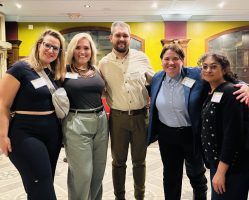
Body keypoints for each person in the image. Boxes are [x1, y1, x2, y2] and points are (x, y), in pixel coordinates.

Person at [147, 44, 249, 200]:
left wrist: (246, 86)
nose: (171, 62)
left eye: (176, 58)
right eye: (167, 59)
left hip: (191, 134)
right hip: (167, 135)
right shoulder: (157, 78)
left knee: (196, 175)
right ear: (161, 61)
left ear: (182, 60)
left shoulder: (196, 74)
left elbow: (226, 79)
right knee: (170, 175)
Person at [0, 29, 65, 199]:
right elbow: (3, 104)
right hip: (26, 133)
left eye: (55, 48)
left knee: (40, 184)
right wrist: (3, 136)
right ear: (38, 45)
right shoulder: (20, 68)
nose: (51, 50)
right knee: (42, 185)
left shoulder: (52, 73)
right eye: (47, 45)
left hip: (52, 134)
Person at [98, 21, 154, 200]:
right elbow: (101, 90)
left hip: (140, 116)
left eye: (125, 35)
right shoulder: (103, 63)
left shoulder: (142, 58)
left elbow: (155, 82)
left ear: (130, 38)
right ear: (111, 38)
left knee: (139, 162)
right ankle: (119, 197)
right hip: (117, 118)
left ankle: (140, 196)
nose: (121, 39)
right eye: (118, 35)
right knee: (118, 162)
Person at [62, 33, 108, 200]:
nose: (82, 51)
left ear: (92, 51)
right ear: (72, 50)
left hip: (101, 120)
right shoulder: (63, 71)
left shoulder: (96, 70)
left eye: (86, 48)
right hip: (76, 122)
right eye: (78, 47)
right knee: (82, 173)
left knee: (98, 171)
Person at [198, 52, 249, 200]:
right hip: (219, 163)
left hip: (232, 167)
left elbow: (233, 136)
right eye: (205, 66)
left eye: (213, 67)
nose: (208, 70)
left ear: (224, 69)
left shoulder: (230, 92)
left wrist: (221, 172)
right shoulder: (213, 90)